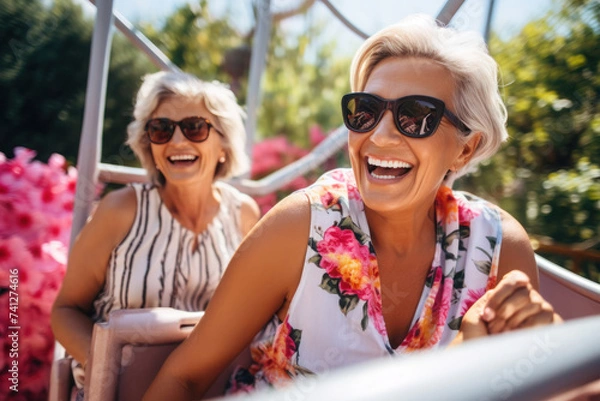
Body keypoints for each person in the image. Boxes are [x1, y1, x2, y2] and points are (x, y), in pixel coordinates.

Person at [143, 15, 561, 401]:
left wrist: (518, 356)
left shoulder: (498, 249)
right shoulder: (301, 228)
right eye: (366, 111)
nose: (379, 137)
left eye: (416, 117)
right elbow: (184, 378)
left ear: (465, 150)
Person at [50, 71, 261, 393]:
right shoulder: (120, 210)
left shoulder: (244, 214)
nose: (177, 141)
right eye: (161, 129)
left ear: (224, 145)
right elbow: (66, 311)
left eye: (195, 127)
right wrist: (107, 372)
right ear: (150, 146)